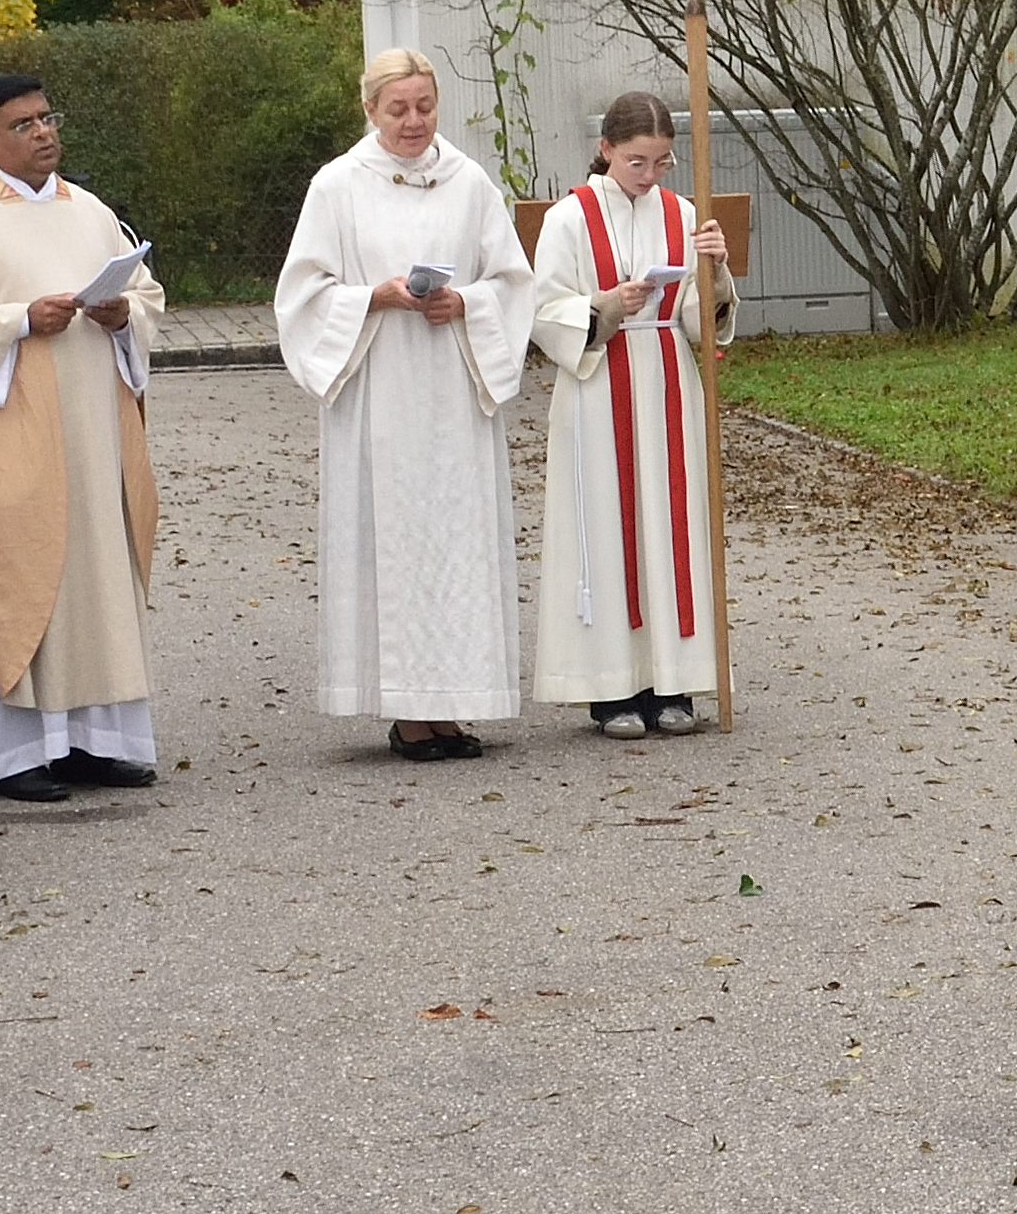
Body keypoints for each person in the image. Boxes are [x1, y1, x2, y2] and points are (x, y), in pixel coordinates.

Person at [0, 73, 171, 803]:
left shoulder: (90, 209)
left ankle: (88, 742)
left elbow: (147, 294)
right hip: (3, 433)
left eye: (48, 118)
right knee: (8, 583)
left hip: (90, 433)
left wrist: (122, 316)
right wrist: (18, 320)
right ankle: (3, 754)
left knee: (92, 585)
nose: (44, 133)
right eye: (23, 125)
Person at [278, 51, 541, 760]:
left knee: (457, 545)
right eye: (399, 109)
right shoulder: (337, 186)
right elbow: (301, 294)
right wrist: (375, 296)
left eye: (425, 105)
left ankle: (454, 705)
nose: (415, 121)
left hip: (452, 395)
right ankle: (405, 710)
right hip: (380, 394)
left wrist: (465, 302)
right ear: (370, 110)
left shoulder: (469, 181)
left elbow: (513, 282)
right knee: (393, 543)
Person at [532, 92, 734, 738]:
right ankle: (613, 688)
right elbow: (542, 312)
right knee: (609, 527)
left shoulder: (682, 213)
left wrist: (718, 269)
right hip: (599, 386)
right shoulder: (569, 219)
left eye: (661, 162)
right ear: (606, 149)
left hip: (668, 379)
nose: (648, 176)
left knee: (670, 528)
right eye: (636, 161)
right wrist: (608, 304)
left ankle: (672, 682)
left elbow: (704, 323)